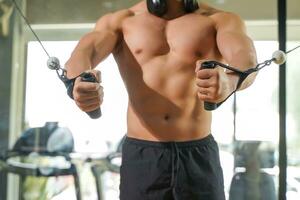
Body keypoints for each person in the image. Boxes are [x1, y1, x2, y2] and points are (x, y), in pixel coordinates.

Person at [65, 0, 257, 199]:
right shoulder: (121, 22)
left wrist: (230, 82)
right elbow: (82, 53)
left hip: (198, 155)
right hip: (142, 156)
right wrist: (79, 83)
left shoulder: (219, 20)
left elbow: (246, 58)